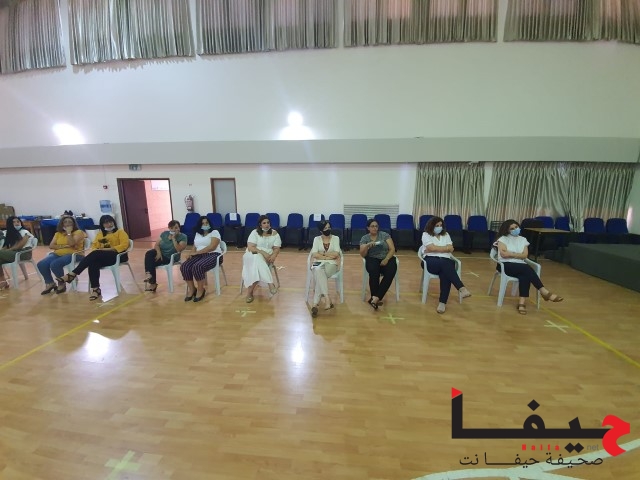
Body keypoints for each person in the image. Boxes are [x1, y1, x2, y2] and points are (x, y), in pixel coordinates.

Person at [496, 219, 564, 315]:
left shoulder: (523, 240)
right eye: (512, 228)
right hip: (505, 265)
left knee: (525, 275)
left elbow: (525, 255)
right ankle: (544, 292)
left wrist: (511, 253)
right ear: (507, 230)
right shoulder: (503, 239)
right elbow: (504, 255)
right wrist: (518, 255)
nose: (515, 229)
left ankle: (522, 303)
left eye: (516, 227)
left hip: (520, 265)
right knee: (526, 269)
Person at [61, 215, 130, 300]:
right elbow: (94, 245)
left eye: (110, 222)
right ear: (102, 225)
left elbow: (124, 245)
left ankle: (73, 273)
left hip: (118, 255)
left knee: (96, 254)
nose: (109, 224)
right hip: (104, 256)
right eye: (106, 223)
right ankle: (96, 289)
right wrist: (99, 250)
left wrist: (107, 249)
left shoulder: (120, 232)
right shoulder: (100, 234)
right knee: (93, 262)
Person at [421, 216, 472, 313]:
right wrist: (445, 249)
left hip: (445, 261)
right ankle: (461, 288)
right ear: (431, 226)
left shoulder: (446, 235)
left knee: (445, 272)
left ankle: (442, 303)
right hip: (430, 261)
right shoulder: (426, 234)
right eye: (437, 225)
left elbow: (451, 248)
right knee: (446, 265)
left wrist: (436, 248)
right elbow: (431, 248)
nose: (439, 227)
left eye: (440, 225)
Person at [37, 215, 87, 295]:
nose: (67, 224)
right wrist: (63, 246)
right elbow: (51, 245)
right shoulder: (58, 234)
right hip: (58, 253)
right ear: (62, 224)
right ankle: (50, 283)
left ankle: (61, 284)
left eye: (70, 222)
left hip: (75, 254)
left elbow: (71, 243)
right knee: (41, 264)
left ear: (74, 224)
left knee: (55, 264)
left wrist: (69, 233)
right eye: (65, 222)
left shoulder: (79, 232)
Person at [180, 216, 222, 302]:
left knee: (198, 266)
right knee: (184, 266)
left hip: (213, 255)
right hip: (199, 255)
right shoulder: (198, 234)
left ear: (209, 224)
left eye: (207, 223)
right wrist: (190, 254)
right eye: (203, 223)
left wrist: (197, 253)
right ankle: (192, 289)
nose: (205, 225)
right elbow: (195, 246)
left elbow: (212, 247)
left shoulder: (214, 232)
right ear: (200, 225)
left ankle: (201, 290)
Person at [242, 215, 281, 303]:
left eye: (268, 222)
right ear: (260, 225)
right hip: (252, 254)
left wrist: (274, 255)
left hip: (267, 258)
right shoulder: (254, 232)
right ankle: (270, 283)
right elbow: (251, 247)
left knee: (257, 267)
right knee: (257, 257)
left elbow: (277, 248)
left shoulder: (275, 233)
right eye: (264, 223)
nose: (267, 224)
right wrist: (263, 253)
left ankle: (249, 293)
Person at [359, 218, 397, 310]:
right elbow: (362, 254)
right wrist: (367, 246)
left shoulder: (384, 235)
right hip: (372, 258)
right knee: (374, 272)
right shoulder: (365, 238)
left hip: (386, 257)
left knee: (390, 272)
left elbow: (392, 249)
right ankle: (375, 297)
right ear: (368, 228)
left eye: (376, 226)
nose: (375, 228)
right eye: (372, 226)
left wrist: (386, 259)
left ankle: (376, 298)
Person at [143, 220, 187, 292]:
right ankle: (150, 276)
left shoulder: (183, 237)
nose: (176, 229)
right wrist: (159, 253)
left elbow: (179, 249)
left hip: (170, 257)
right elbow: (156, 245)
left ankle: (152, 281)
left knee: (151, 262)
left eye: (177, 227)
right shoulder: (165, 234)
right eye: (173, 228)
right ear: (169, 228)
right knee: (149, 253)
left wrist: (174, 239)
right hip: (161, 254)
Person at [309, 220, 341, 317]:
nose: (328, 229)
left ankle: (315, 304)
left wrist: (322, 255)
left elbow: (336, 254)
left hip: (332, 264)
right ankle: (327, 298)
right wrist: (327, 256)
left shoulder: (336, 238)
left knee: (319, 275)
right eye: (325, 228)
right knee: (318, 270)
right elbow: (314, 254)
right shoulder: (316, 239)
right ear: (321, 230)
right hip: (318, 262)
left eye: (329, 227)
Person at [0, 216, 35, 290]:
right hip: (14, 253)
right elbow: (5, 246)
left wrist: (6, 251)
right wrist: (3, 250)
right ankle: (3, 280)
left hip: (24, 253)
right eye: (14, 222)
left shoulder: (25, 232)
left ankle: (3, 281)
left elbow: (19, 246)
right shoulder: (9, 233)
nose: (16, 223)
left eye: (18, 221)